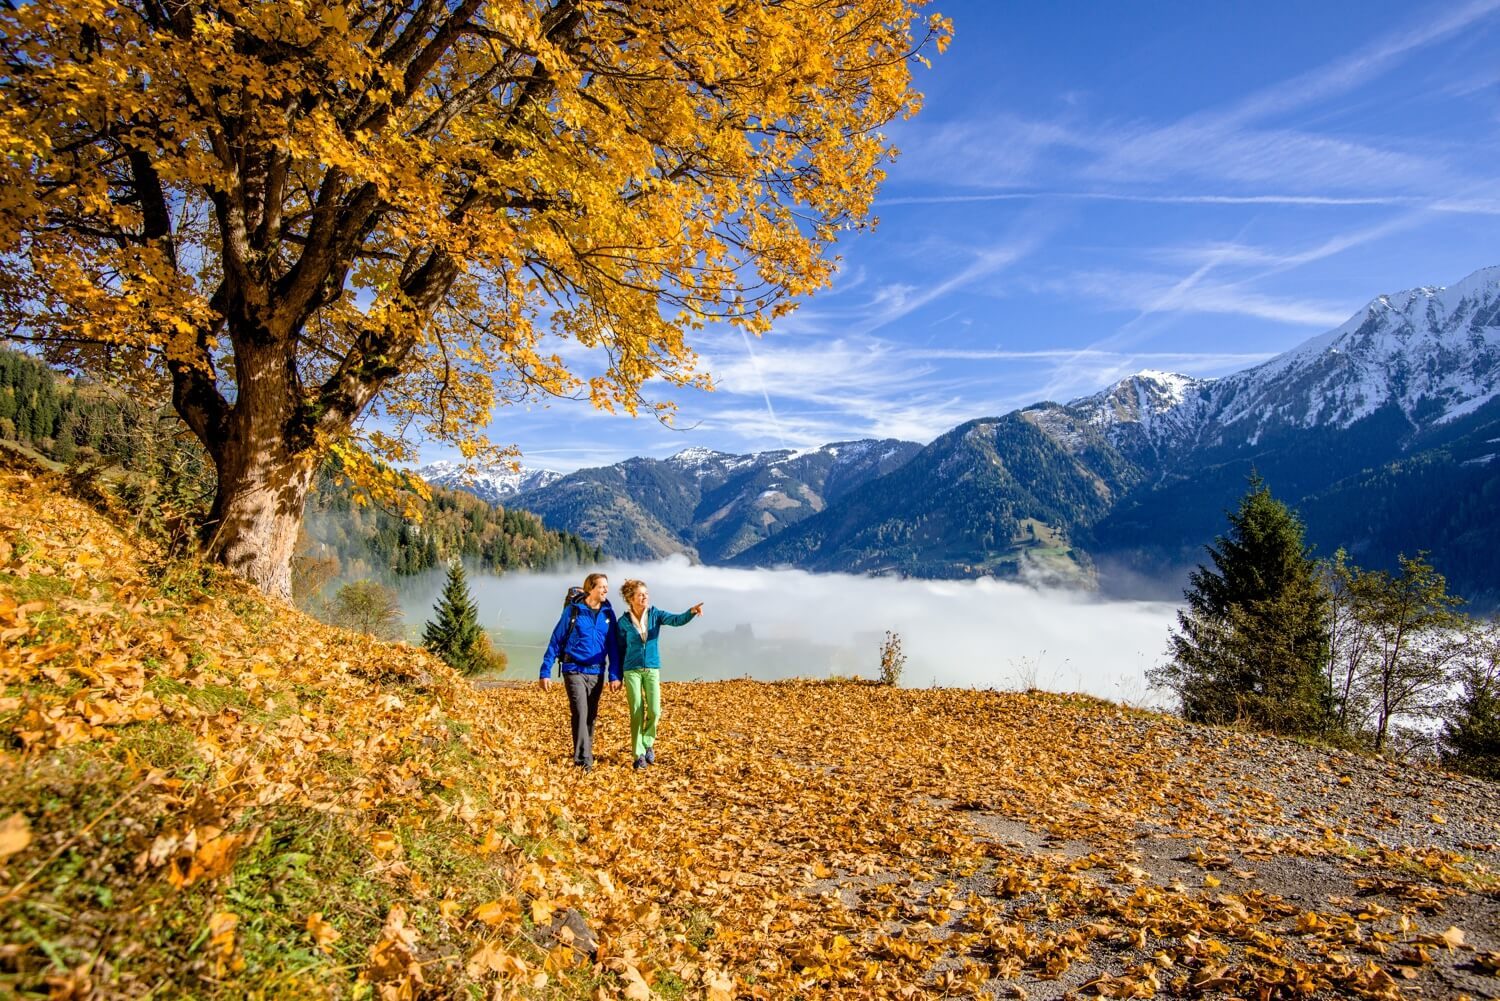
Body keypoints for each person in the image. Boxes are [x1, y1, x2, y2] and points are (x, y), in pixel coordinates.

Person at [616, 578, 702, 770]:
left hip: (652, 668)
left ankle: (647, 742)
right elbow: (619, 649)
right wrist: (615, 676)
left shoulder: (656, 615)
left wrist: (691, 612)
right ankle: (638, 754)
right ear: (631, 598)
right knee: (636, 711)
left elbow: (676, 620)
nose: (645, 596)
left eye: (646, 593)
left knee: (655, 711)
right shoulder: (622, 622)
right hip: (631, 670)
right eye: (640, 594)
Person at [539, 573, 621, 771]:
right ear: (590, 588)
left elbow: (613, 647)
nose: (606, 591)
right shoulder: (573, 611)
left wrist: (614, 675)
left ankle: (584, 753)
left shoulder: (608, 614)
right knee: (580, 712)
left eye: (606, 587)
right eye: (602, 587)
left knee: (591, 716)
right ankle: (585, 760)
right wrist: (545, 671)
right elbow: (556, 639)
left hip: (597, 672)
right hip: (573, 669)